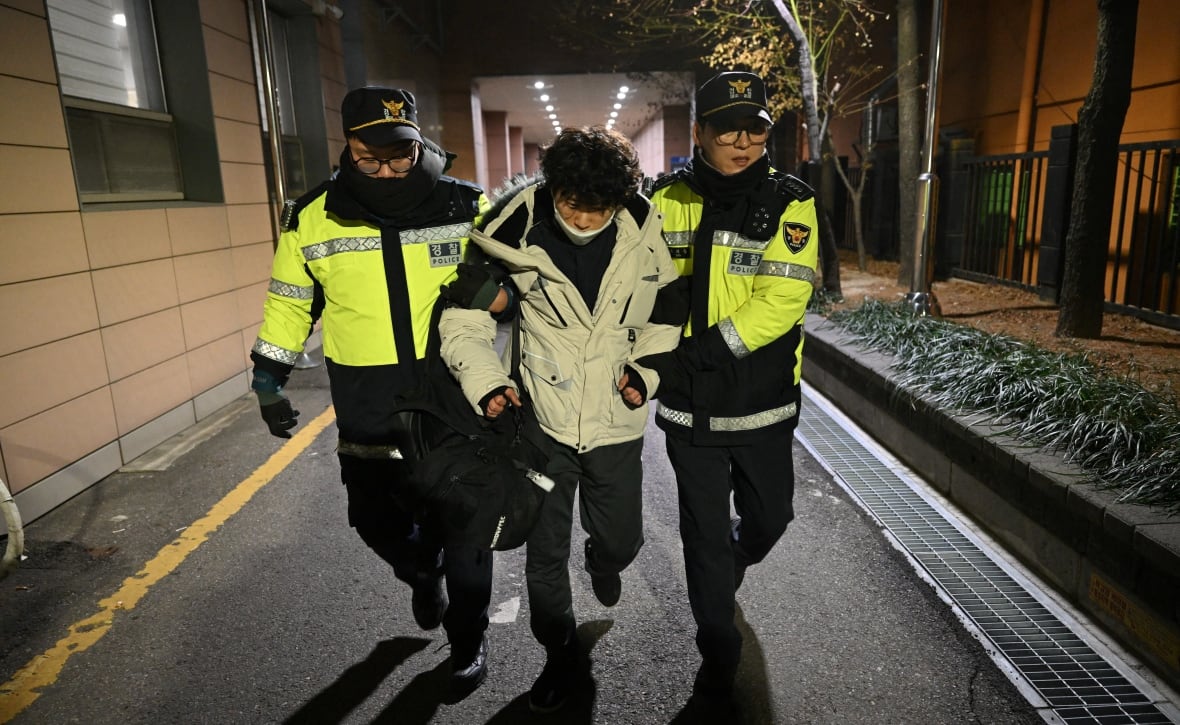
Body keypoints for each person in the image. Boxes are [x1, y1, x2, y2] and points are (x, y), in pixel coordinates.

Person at [248, 86, 497, 695]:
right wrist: (268, 379)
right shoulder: (312, 217)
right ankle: (419, 571)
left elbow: (515, 276)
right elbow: (289, 304)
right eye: (370, 158)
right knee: (375, 521)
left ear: (417, 143)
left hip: (453, 399)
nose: (387, 169)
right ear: (348, 147)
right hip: (368, 402)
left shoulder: (466, 206)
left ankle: (468, 641)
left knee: (468, 532)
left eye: (400, 156)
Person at [436, 126, 681, 713]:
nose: (587, 219)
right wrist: (489, 382)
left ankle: (605, 558)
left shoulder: (646, 228)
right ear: (555, 187)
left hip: (615, 422)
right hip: (539, 424)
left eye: (601, 209)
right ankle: (559, 656)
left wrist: (645, 372)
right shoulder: (511, 228)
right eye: (575, 205)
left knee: (621, 538)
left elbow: (667, 310)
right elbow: (464, 318)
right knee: (544, 555)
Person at [637, 71, 819, 704]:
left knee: (771, 518)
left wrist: (706, 350)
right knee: (703, 536)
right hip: (688, 407)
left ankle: (734, 565)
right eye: (727, 129)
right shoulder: (665, 199)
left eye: (756, 129)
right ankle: (717, 648)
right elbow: (641, 282)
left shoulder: (791, 201)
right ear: (701, 133)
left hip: (760, 397)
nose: (743, 141)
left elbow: (782, 299)